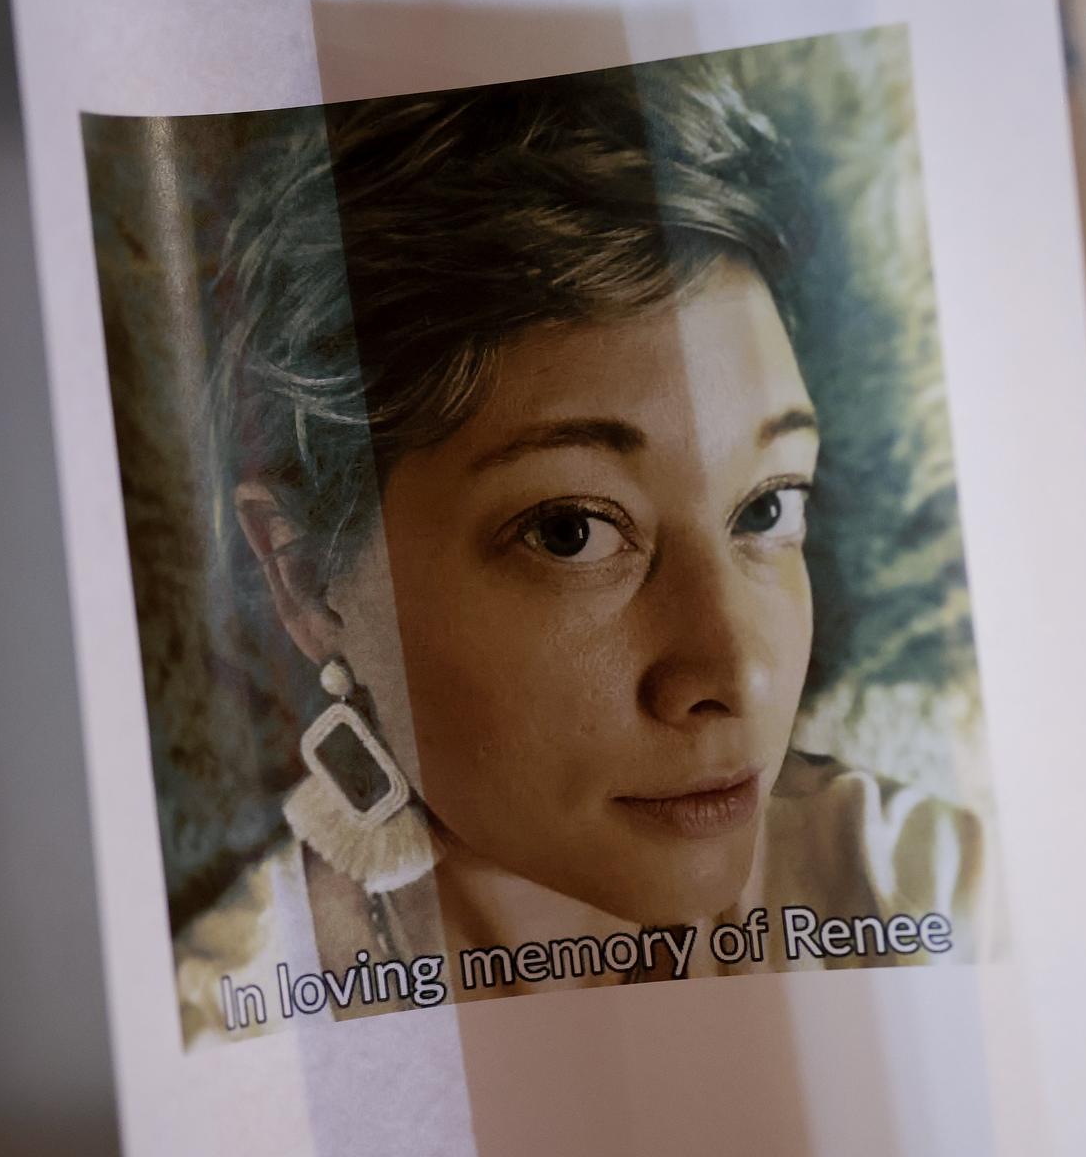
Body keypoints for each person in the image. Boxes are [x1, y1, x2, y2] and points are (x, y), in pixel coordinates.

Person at [172, 62, 987, 1045]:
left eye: (767, 506)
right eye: (572, 530)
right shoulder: (229, 1029)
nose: (737, 669)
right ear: (307, 579)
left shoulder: (945, 906)